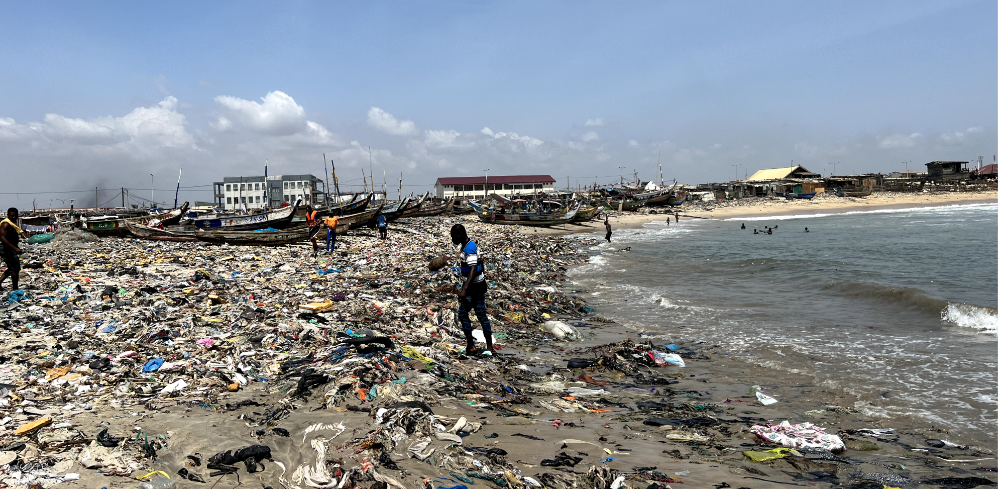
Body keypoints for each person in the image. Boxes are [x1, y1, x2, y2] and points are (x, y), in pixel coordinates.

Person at [451, 224, 493, 355]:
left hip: (474, 288)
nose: (452, 239)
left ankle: (477, 346)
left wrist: (464, 289)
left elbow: (473, 269)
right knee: (480, 315)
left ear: (460, 235)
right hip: (477, 286)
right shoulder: (468, 245)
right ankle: (476, 346)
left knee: (467, 314)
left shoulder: (469, 249)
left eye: (454, 236)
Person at [0, 208, 25, 292]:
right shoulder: (6, 224)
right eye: (12, 215)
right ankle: (15, 288)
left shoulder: (12, 224)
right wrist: (14, 248)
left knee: (13, 267)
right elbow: (2, 238)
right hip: (6, 248)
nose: (14, 217)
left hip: (10, 248)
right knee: (14, 268)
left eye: (15, 216)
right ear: (8, 215)